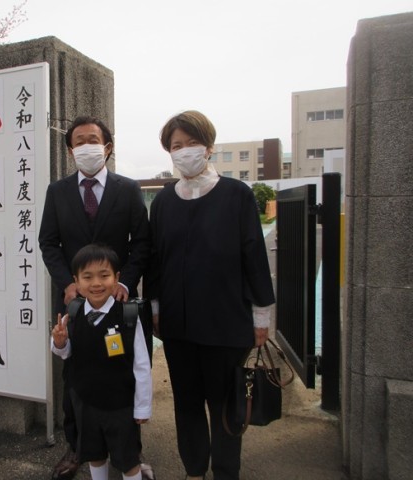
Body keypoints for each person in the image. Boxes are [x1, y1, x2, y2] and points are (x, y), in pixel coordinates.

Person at [146, 110, 275, 480]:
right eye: (177, 145)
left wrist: (261, 316)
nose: (185, 151)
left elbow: (253, 256)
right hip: (178, 324)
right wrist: (155, 307)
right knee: (186, 403)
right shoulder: (164, 202)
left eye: (192, 143)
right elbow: (155, 260)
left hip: (226, 323)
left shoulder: (237, 195)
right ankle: (194, 470)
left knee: (225, 404)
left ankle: (225, 471)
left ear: (209, 146)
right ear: (169, 152)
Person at [39, 116, 153, 480]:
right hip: (76, 298)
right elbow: (48, 242)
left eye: (93, 139)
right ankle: (78, 447)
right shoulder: (57, 192)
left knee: (126, 368)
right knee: (75, 374)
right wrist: (67, 284)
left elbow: (142, 242)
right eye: (79, 141)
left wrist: (126, 282)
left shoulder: (128, 189)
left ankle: (130, 449)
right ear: (70, 151)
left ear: (107, 147)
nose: (86, 146)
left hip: (119, 299)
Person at [50, 244, 152, 480]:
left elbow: (141, 365)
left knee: (128, 461)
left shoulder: (127, 316)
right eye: (87, 277)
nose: (96, 283)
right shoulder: (73, 312)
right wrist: (59, 342)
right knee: (94, 454)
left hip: (121, 406)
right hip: (86, 403)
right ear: (76, 281)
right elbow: (66, 353)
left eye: (104, 275)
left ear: (116, 278)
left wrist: (143, 406)